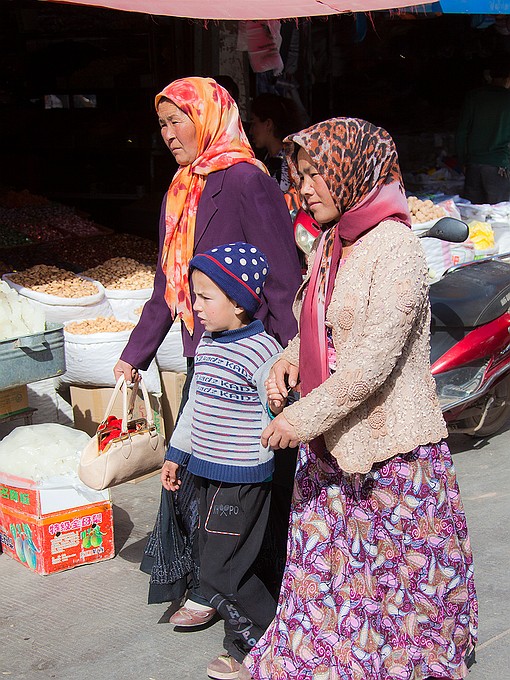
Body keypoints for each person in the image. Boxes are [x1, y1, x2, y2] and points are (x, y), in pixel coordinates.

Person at [243, 118, 478, 680]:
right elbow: (320, 325)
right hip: (330, 445)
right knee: (328, 579)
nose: (306, 189)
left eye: (317, 174)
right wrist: (288, 359)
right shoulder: (331, 242)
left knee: (402, 591)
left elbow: (371, 362)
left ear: (353, 172)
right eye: (300, 176)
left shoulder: (395, 249)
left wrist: (300, 418)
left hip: (390, 452)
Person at [113, 77, 302, 625]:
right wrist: (135, 353)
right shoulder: (179, 190)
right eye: (162, 125)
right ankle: (210, 582)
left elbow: (282, 280)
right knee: (197, 471)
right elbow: (167, 285)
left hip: (255, 362)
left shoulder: (247, 181)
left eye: (178, 121)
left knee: (247, 481)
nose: (169, 134)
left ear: (207, 119)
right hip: (206, 353)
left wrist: (292, 358)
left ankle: (247, 593)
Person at [165, 241, 283, 680]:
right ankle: (259, 637)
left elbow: (276, 408)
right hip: (207, 473)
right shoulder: (209, 344)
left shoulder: (262, 351)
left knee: (224, 568)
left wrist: (280, 410)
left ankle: (259, 641)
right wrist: (177, 453)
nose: (195, 306)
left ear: (238, 303)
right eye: (195, 296)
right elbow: (194, 406)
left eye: (205, 297)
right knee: (218, 562)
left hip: (242, 479)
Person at [456, 59, 510, 204]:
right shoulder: (507, 98)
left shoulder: (473, 96)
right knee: (498, 212)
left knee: (472, 211)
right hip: (498, 166)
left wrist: (462, 160)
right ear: (508, 78)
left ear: (490, 76)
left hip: (473, 165)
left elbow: (461, 132)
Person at [250, 92, 307, 193]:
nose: (250, 131)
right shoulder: (266, 159)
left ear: (268, 124)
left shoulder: (291, 161)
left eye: (254, 123)